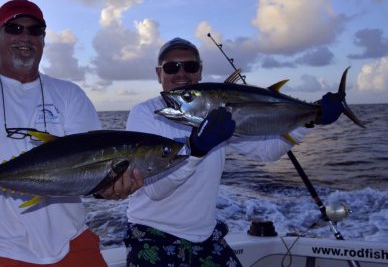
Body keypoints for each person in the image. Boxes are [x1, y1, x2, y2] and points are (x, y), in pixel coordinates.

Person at [0, 0, 142, 267]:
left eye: (35, 30)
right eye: (14, 28)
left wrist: (111, 188)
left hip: (73, 240)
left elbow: (90, 165)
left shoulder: (70, 94)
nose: (25, 36)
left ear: (43, 39)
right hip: (0, 246)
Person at [123, 37, 344, 266]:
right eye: (171, 67)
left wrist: (312, 120)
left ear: (200, 72)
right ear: (159, 73)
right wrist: (196, 149)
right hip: (153, 235)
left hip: (206, 237)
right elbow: (156, 190)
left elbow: (267, 151)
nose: (181, 73)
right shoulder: (146, 113)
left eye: (190, 66)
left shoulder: (218, 116)